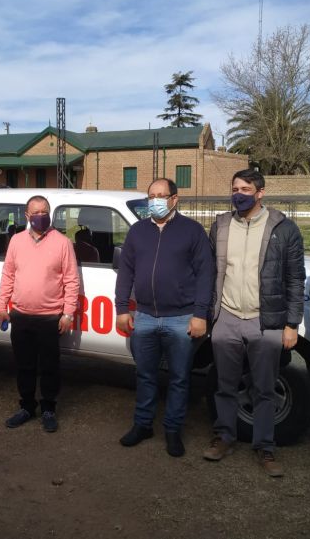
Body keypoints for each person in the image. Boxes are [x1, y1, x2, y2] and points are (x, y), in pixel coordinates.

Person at [202, 169, 305, 477]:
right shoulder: (220, 225)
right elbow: (210, 271)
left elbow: (295, 280)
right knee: (225, 384)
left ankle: (265, 446)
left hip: (266, 320)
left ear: (260, 192)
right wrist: (210, 314)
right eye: (235, 188)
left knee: (264, 388)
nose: (239, 193)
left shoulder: (284, 229)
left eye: (246, 189)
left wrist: (292, 323)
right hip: (227, 317)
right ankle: (224, 436)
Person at [115, 178, 215, 457]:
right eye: (151, 196)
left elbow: (206, 275)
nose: (155, 201)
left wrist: (200, 314)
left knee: (180, 378)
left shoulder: (192, 232)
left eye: (161, 195)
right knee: (145, 374)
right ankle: (143, 424)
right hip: (144, 316)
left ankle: (173, 430)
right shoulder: (137, 232)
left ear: (174, 199)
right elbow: (126, 273)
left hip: (181, 318)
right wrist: (122, 309)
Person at [0, 195, 80, 433]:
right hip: (20, 315)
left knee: (49, 366)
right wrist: (2, 307)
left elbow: (71, 281)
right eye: (36, 212)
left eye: (45, 211)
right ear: (27, 215)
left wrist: (67, 314)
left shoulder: (62, 243)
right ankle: (26, 406)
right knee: (24, 365)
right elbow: (8, 275)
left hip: (50, 317)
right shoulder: (16, 241)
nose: (41, 216)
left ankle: (48, 409)